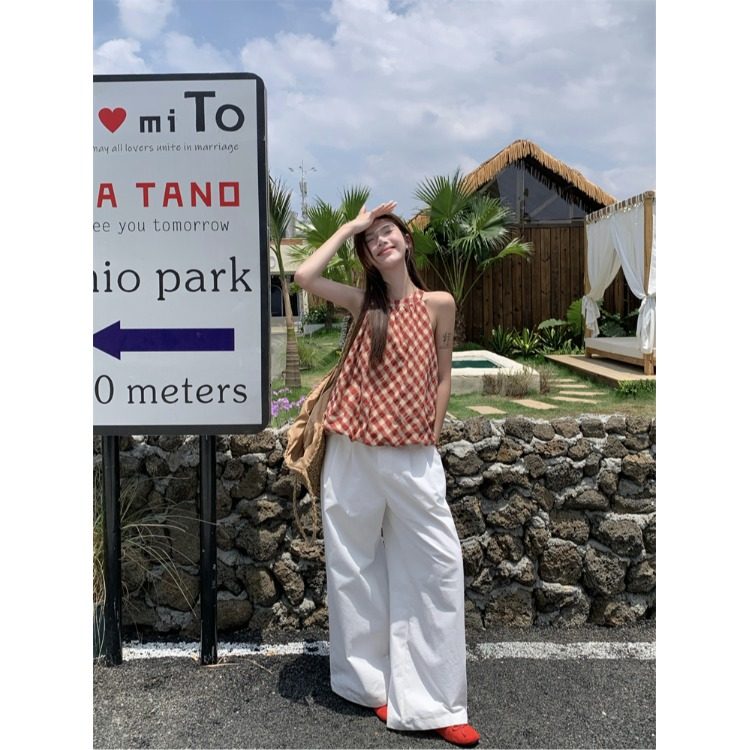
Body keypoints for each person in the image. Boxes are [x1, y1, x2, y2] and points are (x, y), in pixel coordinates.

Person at [293, 202, 480, 747]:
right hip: (351, 448)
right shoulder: (364, 304)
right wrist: (350, 227)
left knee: (438, 565)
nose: (381, 240)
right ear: (369, 257)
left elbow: (442, 375)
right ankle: (368, 683)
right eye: (371, 239)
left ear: (406, 241)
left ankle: (437, 703)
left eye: (388, 231)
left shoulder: (438, 304)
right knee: (352, 564)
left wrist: (432, 431)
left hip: (411, 453)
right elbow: (305, 276)